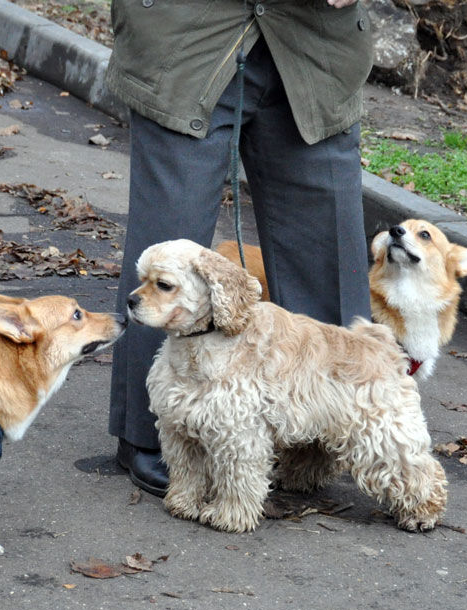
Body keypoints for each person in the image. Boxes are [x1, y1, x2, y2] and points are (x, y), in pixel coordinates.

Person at [106, 0, 375, 496]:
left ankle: (319, 431)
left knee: (325, 248)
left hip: (318, 44)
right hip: (189, 34)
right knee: (168, 247)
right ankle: (152, 431)